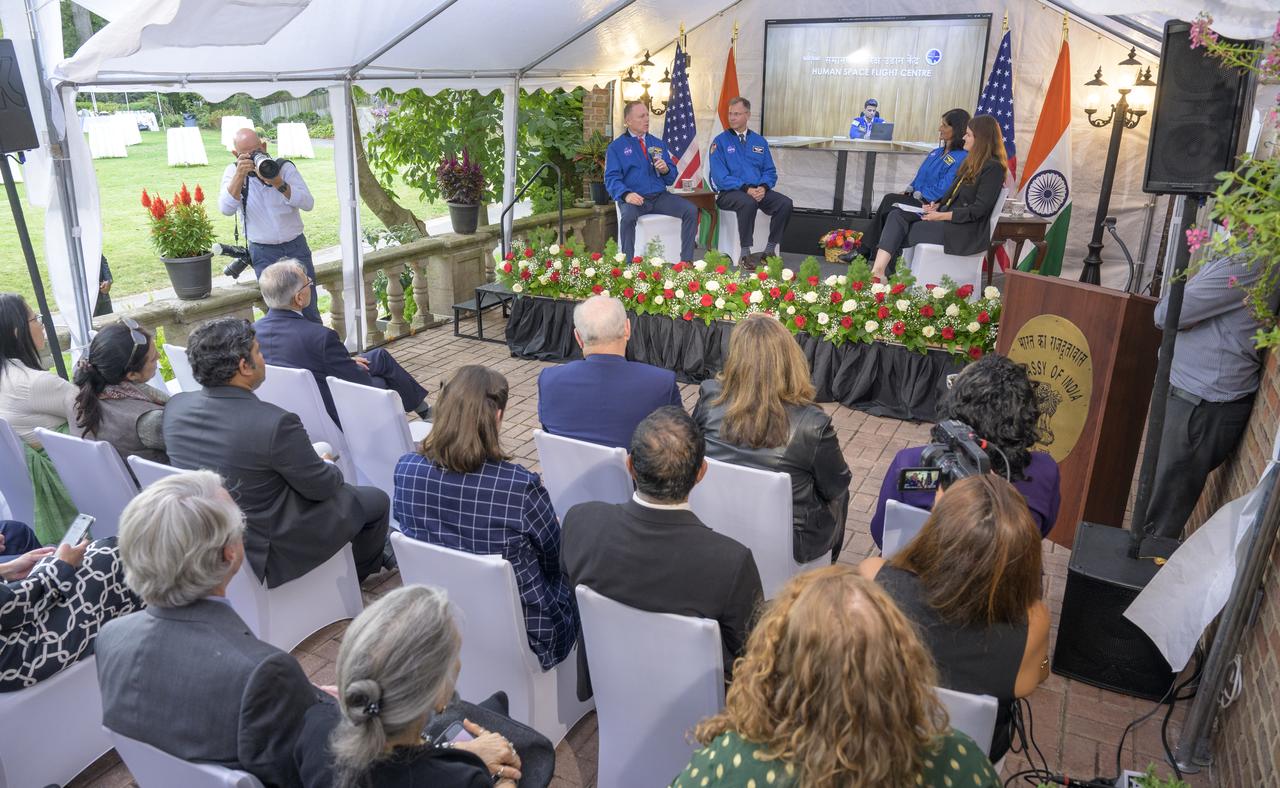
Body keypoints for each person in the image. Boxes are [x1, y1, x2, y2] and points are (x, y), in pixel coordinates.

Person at [670, 566, 1001, 788]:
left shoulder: (726, 764)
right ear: (902, 663)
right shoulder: (961, 763)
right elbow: (1039, 673)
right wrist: (1046, 666)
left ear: (777, 660)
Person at [96, 470, 325, 788]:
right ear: (229, 554)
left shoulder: (111, 635)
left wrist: (304, 700)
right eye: (239, 525)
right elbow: (304, 776)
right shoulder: (263, 671)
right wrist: (326, 714)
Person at [163, 318, 392, 588]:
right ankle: (355, 577)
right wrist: (327, 464)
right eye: (259, 352)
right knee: (375, 500)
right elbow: (322, 488)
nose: (263, 358)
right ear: (243, 366)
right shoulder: (274, 423)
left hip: (206, 528)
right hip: (268, 543)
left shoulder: (175, 408)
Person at [561, 407, 763, 699]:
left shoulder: (580, 522)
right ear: (701, 473)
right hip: (700, 699)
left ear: (629, 466)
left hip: (610, 680)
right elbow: (749, 648)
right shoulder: (730, 561)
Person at [393, 366, 577, 669]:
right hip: (532, 632)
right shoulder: (518, 487)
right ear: (497, 417)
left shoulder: (407, 470)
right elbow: (554, 560)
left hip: (437, 614)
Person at [859, 475, 1051, 761]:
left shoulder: (874, 578)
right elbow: (1027, 684)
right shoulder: (1032, 622)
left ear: (937, 534)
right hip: (972, 754)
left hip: (880, 738)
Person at [294, 586, 530, 788]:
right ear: (437, 697)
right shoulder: (459, 780)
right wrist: (503, 778)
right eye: (454, 655)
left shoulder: (315, 724)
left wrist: (457, 751)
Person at [692, 314, 851, 563]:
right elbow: (836, 486)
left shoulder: (711, 399)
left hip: (716, 521)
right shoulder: (812, 423)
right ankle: (825, 568)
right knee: (841, 493)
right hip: (788, 546)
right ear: (790, 358)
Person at [1145, 253, 1279, 538]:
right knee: (1155, 509)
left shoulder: (1251, 260)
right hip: (1195, 399)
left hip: (1200, 406)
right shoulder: (1239, 253)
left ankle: (1144, 579)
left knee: (1158, 524)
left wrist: (1188, 311)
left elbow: (1167, 313)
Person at [869, 352, 1060, 546]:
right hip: (1008, 573)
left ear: (954, 406)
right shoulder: (1044, 471)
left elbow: (882, 532)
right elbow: (1042, 529)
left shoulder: (913, 464)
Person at [254, 260, 430, 427]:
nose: (311, 284)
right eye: (308, 283)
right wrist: (347, 364)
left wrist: (346, 362)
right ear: (299, 298)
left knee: (379, 356)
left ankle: (424, 410)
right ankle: (409, 424)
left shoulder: (252, 333)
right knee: (383, 381)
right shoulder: (320, 337)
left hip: (291, 404)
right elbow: (359, 381)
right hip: (330, 407)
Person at [868, 114, 1007, 282]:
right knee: (896, 214)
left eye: (968, 135)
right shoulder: (970, 163)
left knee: (909, 230)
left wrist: (941, 215)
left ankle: (890, 276)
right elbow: (952, 197)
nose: (964, 137)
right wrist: (937, 207)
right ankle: (878, 272)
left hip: (963, 231)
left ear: (981, 139)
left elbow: (978, 210)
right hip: (947, 220)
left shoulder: (993, 168)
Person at [537, 295, 681, 449]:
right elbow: (680, 441)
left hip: (570, 472)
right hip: (634, 472)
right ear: (627, 329)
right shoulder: (661, 383)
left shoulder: (550, 380)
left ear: (578, 337)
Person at [0, 535, 140, 692]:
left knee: (26, 537)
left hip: (10, 615)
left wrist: (6, 570)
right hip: (16, 650)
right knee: (113, 555)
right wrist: (57, 568)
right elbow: (11, 606)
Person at [219, 128, 321, 323]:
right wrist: (240, 176)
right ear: (236, 155)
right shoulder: (233, 173)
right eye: (246, 154)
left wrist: (278, 183)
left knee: (308, 307)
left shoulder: (283, 168)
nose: (254, 157)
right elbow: (225, 208)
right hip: (263, 252)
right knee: (278, 312)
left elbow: (308, 203)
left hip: (295, 247)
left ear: (264, 147)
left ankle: (317, 349)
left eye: (257, 151)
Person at [0, 293, 78, 543]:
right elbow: (94, 409)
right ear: (16, 332)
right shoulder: (33, 384)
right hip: (75, 486)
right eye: (36, 319)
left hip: (22, 499)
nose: (42, 324)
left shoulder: (7, 377)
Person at [855, 108, 970, 259]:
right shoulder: (935, 152)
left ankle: (865, 250)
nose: (939, 129)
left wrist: (920, 196)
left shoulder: (962, 157)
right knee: (891, 202)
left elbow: (945, 187)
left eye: (944, 125)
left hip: (929, 203)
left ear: (956, 129)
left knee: (890, 200)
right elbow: (919, 177)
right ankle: (869, 252)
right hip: (916, 197)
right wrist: (909, 191)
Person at [605, 100, 699, 263]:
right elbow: (611, 178)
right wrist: (626, 195)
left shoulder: (657, 143)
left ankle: (686, 262)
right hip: (636, 199)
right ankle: (628, 266)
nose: (647, 119)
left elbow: (671, 178)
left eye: (647, 115)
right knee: (627, 218)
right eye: (641, 116)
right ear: (628, 121)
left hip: (659, 197)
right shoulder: (616, 147)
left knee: (691, 210)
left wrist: (666, 170)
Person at [708, 97, 793, 270]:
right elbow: (719, 177)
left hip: (758, 190)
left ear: (748, 115)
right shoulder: (720, 141)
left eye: (737, 114)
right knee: (748, 202)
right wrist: (746, 189)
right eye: (730, 113)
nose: (732, 117)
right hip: (730, 193)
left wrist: (763, 187)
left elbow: (770, 171)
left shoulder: (759, 141)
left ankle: (769, 251)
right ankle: (745, 254)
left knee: (785, 203)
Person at [71, 319, 169, 465]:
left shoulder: (85, 395)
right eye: (153, 358)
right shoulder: (150, 420)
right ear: (131, 375)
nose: (159, 357)